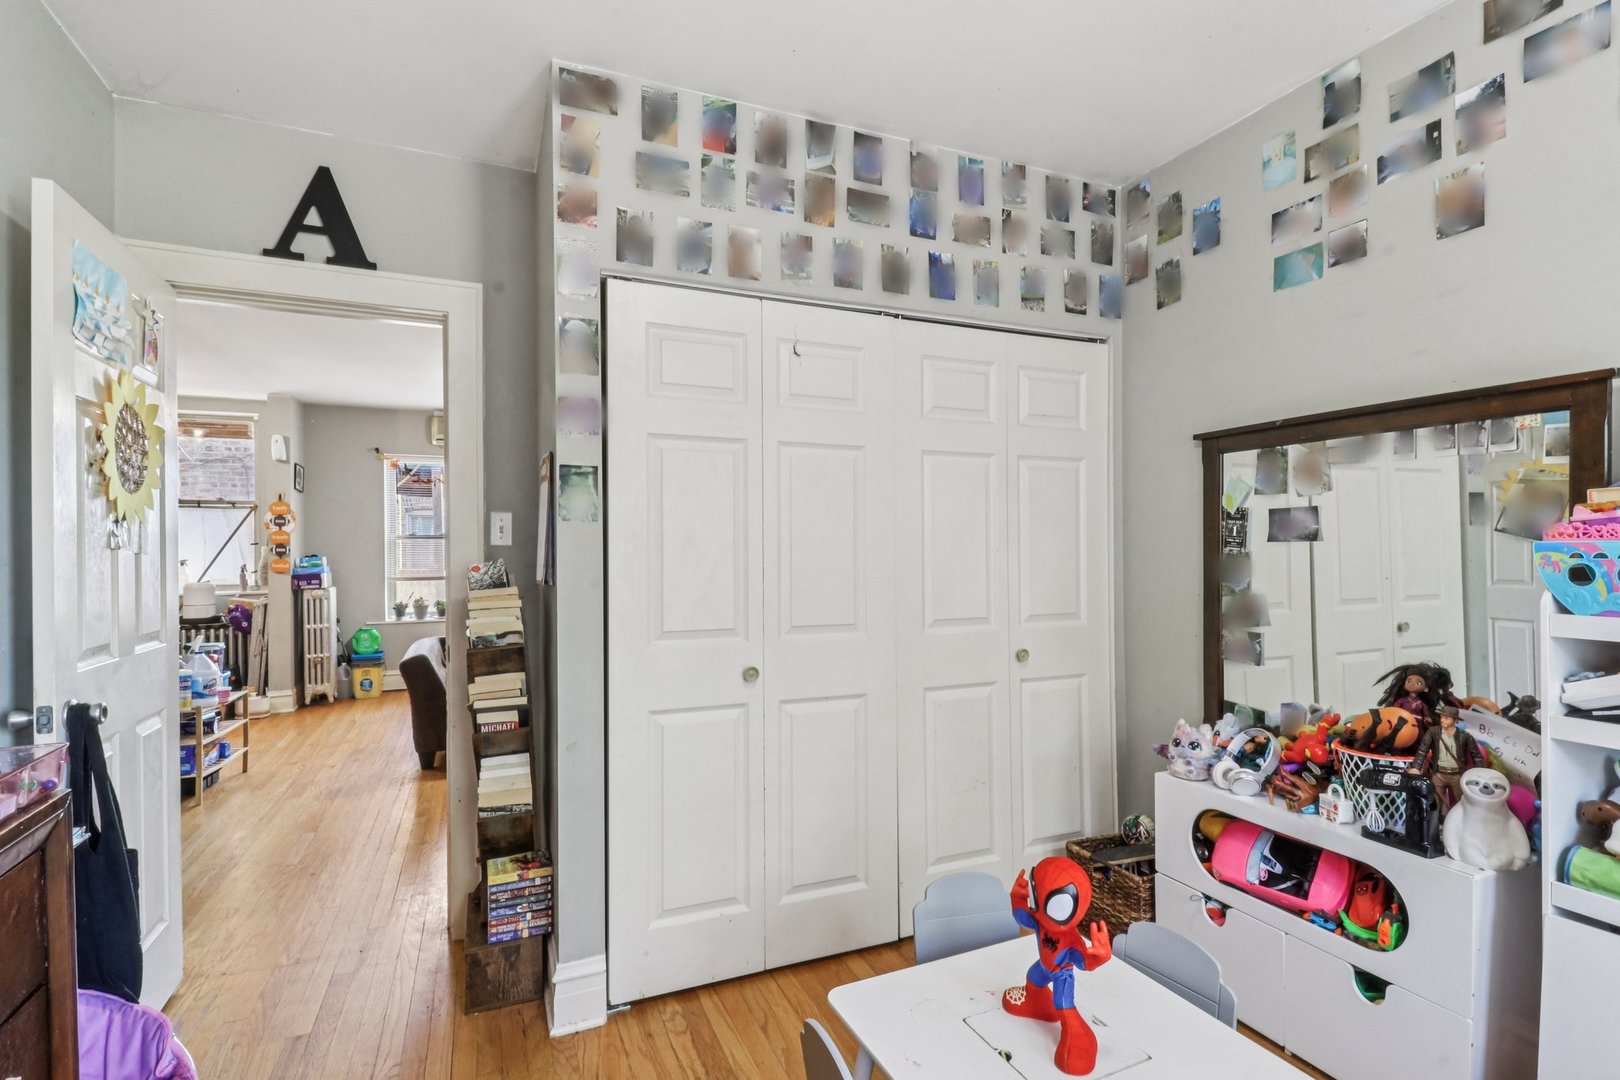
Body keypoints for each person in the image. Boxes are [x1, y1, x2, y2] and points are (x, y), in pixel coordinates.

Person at [1408, 710, 1488, 814]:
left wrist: (1481, 773)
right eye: (1441, 717)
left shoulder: (1465, 736)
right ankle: (1435, 827)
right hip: (1438, 774)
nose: (1442, 720)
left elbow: (1477, 755)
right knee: (1434, 803)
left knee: (1462, 802)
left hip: (1457, 775)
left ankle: (1460, 825)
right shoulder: (1433, 732)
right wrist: (1416, 767)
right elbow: (1422, 750)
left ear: (1455, 720)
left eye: (1446, 718)